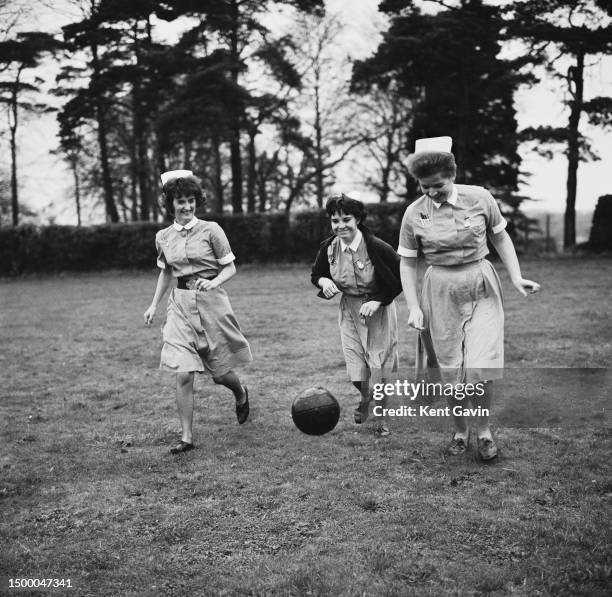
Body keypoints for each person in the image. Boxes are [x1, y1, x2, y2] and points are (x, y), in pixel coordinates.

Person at [398, 137, 540, 461]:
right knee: (451, 370)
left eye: (438, 185)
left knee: (481, 364)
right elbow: (407, 262)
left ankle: (485, 431)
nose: (432, 192)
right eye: (424, 187)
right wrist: (414, 306)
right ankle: (461, 430)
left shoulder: (480, 198)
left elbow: (500, 236)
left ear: (452, 174)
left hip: (480, 284)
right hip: (439, 289)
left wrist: (516, 277)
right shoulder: (413, 214)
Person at [144, 170, 252, 454]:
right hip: (179, 305)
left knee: (218, 374)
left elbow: (230, 267)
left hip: (211, 303)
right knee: (183, 372)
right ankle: (187, 438)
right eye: (180, 201)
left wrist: (213, 281)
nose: (187, 206)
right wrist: (154, 304)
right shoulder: (163, 237)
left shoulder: (212, 230)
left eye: (191, 200)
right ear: (171, 203)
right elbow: (166, 273)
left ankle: (240, 393)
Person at [311, 194, 402, 436]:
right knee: (356, 368)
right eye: (334, 220)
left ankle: (381, 421)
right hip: (349, 311)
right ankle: (365, 397)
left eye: (346, 219)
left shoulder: (377, 247)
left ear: (358, 219)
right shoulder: (328, 247)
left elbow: (402, 278)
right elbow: (316, 273)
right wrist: (323, 282)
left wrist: (379, 300)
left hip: (379, 312)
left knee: (379, 367)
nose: (340, 226)